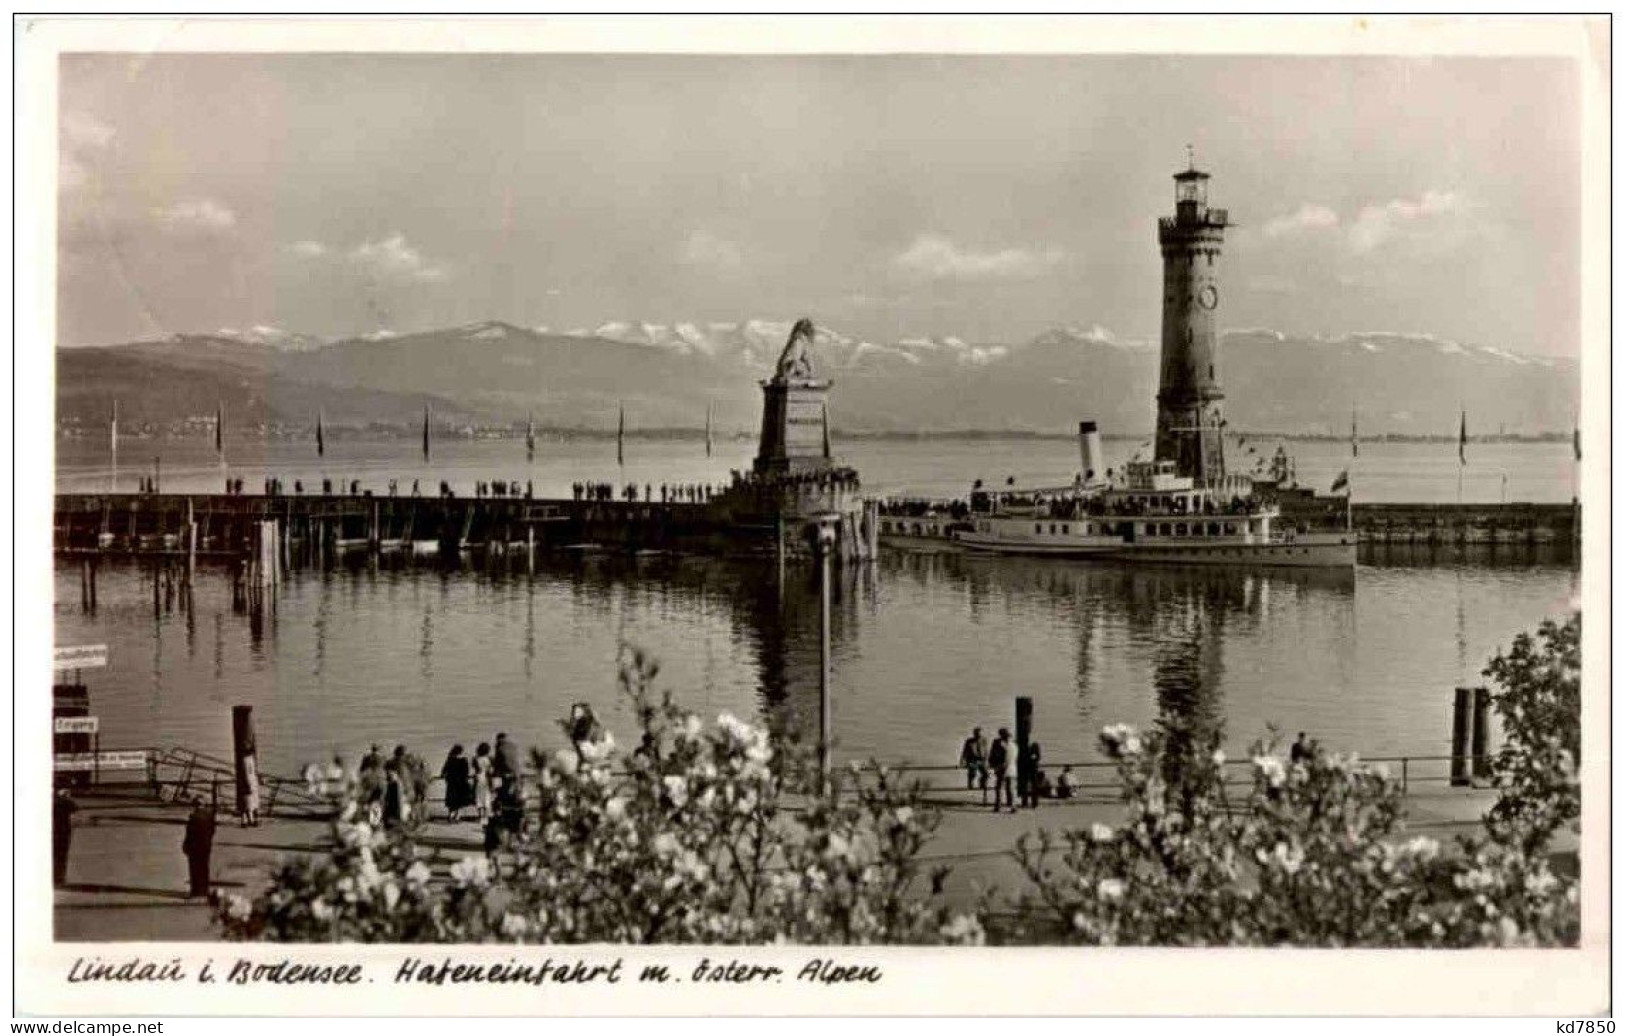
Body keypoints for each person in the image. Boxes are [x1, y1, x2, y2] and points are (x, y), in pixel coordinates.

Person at [182, 796, 216, 898]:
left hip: (194, 847)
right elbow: (213, 830)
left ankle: (195, 891)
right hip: (206, 846)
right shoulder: (209, 816)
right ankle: (204, 890)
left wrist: (186, 844)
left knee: (194, 869)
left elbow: (190, 834)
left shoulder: (193, 817)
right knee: (204, 868)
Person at [53, 788, 77, 887]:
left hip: (57, 831)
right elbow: (74, 810)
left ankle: (56, 878)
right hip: (63, 831)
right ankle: (59, 878)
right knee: (61, 856)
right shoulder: (67, 803)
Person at [441, 745, 472, 822]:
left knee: (451, 800)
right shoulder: (464, 760)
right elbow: (466, 772)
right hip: (461, 783)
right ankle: (457, 816)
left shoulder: (450, 759)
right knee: (460, 801)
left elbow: (444, 771)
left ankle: (450, 815)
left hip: (451, 783)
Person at [988, 729, 1015, 813]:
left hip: (1004, 767)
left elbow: (993, 755)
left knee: (1001, 787)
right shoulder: (1012, 745)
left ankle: (1000, 806)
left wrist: (993, 765)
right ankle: (1011, 806)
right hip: (1008, 768)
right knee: (1008, 788)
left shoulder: (999, 743)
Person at [959, 727, 988, 798]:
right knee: (972, 772)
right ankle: (970, 784)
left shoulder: (984, 740)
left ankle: (982, 783)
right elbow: (965, 751)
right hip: (972, 759)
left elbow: (986, 751)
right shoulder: (969, 741)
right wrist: (962, 761)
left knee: (986, 774)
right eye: (977, 733)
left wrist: (986, 760)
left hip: (981, 760)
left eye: (980, 733)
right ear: (974, 734)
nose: (978, 735)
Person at [471, 742, 494, 823]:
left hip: (479, 778)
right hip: (487, 779)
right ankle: (486, 817)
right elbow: (491, 770)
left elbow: (475, 769)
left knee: (479, 798)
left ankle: (480, 817)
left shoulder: (475, 759)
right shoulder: (490, 759)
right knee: (487, 797)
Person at [1022, 741, 1044, 809]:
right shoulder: (1035, 747)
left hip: (1026, 769)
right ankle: (1034, 803)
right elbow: (1037, 758)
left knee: (1026, 786)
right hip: (1033, 770)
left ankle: (1025, 802)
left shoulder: (1027, 748)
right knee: (1034, 787)